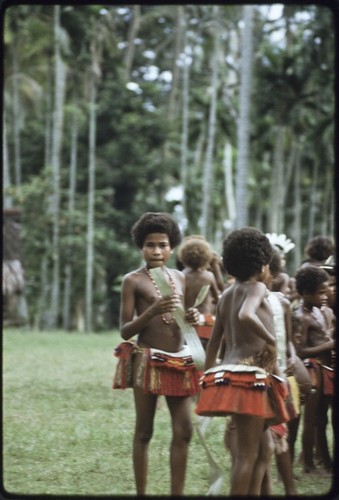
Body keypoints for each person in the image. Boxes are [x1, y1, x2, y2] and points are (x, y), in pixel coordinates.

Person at [195, 227, 290, 496]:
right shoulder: (257, 287)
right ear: (262, 265)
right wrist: (273, 339)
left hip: (230, 373)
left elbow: (213, 343)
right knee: (246, 456)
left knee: (265, 448)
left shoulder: (226, 295)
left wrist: (208, 376)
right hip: (250, 378)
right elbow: (247, 315)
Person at [112, 212, 201, 496]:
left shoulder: (179, 278)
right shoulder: (132, 281)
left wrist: (192, 315)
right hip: (148, 360)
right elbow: (125, 331)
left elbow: (178, 319)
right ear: (141, 246)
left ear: (172, 247)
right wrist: (151, 310)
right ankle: (141, 493)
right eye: (151, 244)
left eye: (163, 244)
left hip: (178, 360)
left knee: (184, 430)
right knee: (144, 431)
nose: (157, 251)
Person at [292, 265, 336, 475]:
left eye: (326, 290)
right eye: (320, 292)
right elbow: (299, 351)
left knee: (321, 418)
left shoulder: (321, 311)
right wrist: (329, 346)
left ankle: (324, 461)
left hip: (325, 369)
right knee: (310, 419)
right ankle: (308, 463)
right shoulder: (301, 316)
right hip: (311, 369)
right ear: (305, 293)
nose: (325, 296)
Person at [177, 236, 220, 349]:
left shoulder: (181, 275)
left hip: (187, 322)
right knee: (204, 356)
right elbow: (217, 299)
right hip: (206, 321)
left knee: (188, 356)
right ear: (206, 256)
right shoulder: (209, 276)